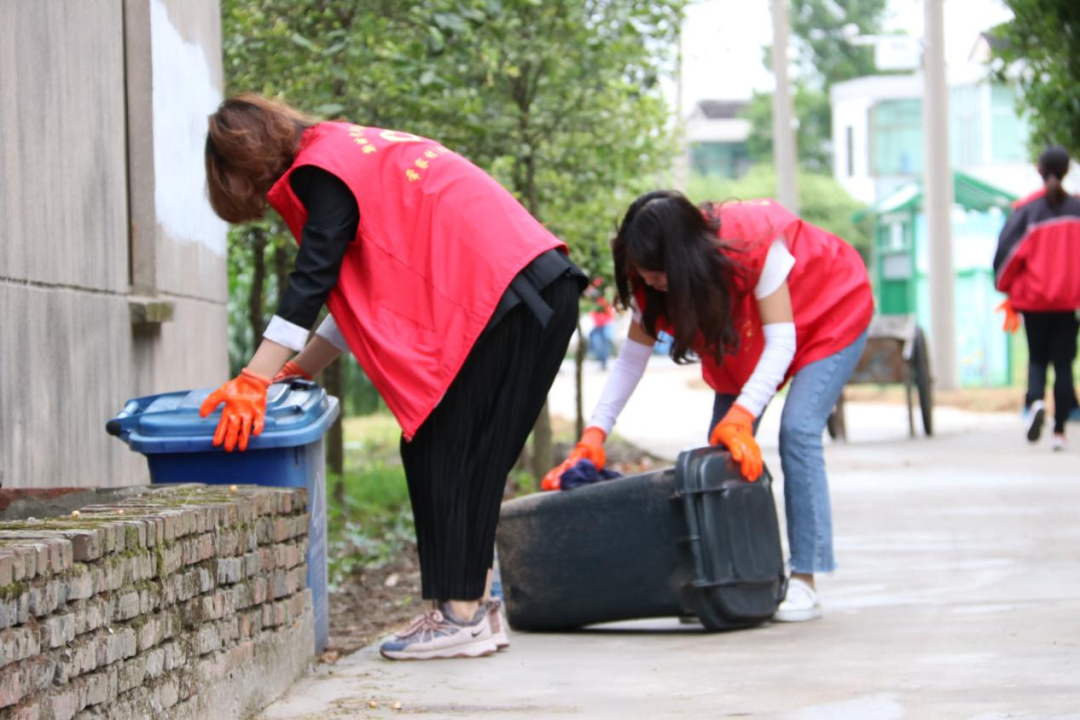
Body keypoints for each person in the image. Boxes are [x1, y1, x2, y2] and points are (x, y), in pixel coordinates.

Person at [201, 94, 586, 660]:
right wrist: (297, 368)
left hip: (504, 297)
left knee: (440, 445)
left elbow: (312, 280)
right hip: (542, 286)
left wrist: (254, 378)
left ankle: (458, 616)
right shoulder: (348, 152)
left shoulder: (319, 173)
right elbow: (357, 294)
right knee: (470, 454)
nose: (254, 200)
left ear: (245, 158)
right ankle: (476, 611)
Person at [544, 191, 873, 622]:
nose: (651, 281)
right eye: (643, 272)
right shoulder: (648, 282)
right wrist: (594, 434)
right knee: (720, 459)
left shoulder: (753, 243)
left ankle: (804, 579)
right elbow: (629, 363)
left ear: (684, 258)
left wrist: (743, 414)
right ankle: (726, 579)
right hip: (753, 332)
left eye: (659, 272)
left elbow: (782, 342)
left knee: (798, 430)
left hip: (830, 307)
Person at [994, 145, 1080, 452]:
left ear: (1039, 170)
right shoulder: (1077, 210)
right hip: (1069, 302)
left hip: (1035, 303)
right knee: (1064, 365)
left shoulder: (1028, 212)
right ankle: (1059, 433)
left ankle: (1035, 403)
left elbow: (1006, 258)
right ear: (1067, 171)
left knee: (1037, 359)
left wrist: (1004, 286)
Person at [586, 279, 617, 370]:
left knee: (605, 341)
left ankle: (604, 361)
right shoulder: (592, 297)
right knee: (596, 341)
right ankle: (600, 360)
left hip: (607, 322)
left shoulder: (605, 296)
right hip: (597, 323)